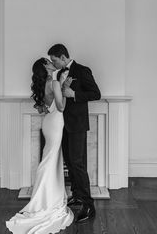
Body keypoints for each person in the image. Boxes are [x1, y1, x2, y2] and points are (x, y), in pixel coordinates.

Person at [6, 57, 74, 234]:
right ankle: (43, 198)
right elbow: (61, 107)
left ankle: (44, 195)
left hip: (48, 123)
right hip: (56, 122)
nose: (51, 62)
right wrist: (63, 87)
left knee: (50, 159)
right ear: (45, 66)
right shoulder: (54, 84)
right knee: (50, 159)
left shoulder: (43, 84)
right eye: (48, 61)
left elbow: (44, 108)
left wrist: (59, 83)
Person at [48, 44, 101, 223]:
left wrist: (74, 94)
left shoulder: (83, 70)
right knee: (70, 162)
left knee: (78, 164)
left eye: (54, 60)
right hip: (63, 124)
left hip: (77, 125)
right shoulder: (58, 74)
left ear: (63, 57)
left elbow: (96, 93)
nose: (53, 64)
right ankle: (77, 196)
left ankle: (89, 205)